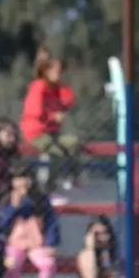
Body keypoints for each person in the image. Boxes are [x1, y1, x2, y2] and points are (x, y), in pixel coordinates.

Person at [0, 163, 59, 278]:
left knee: (48, 265)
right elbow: (1, 225)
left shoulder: (41, 199)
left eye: (26, 178)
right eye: (18, 179)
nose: (22, 182)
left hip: (36, 244)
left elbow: (51, 222)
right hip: (14, 244)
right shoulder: (6, 200)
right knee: (12, 266)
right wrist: (14, 207)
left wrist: (51, 243)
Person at [20, 47, 81, 196]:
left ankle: (71, 178)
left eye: (60, 71)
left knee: (74, 142)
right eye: (55, 71)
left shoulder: (55, 89)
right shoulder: (38, 86)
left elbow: (68, 101)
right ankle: (48, 189)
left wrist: (62, 87)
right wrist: (53, 116)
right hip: (36, 133)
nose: (58, 74)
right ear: (46, 72)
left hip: (52, 133)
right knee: (55, 152)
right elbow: (34, 111)